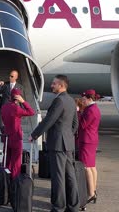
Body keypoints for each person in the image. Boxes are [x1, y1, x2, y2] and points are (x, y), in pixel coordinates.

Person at [29, 75, 80, 212]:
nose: (51, 86)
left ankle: (58, 207)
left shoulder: (59, 101)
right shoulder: (71, 101)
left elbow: (49, 121)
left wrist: (34, 135)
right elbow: (75, 124)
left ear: (61, 85)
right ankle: (73, 206)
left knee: (58, 177)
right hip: (68, 144)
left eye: (54, 84)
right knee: (70, 176)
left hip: (57, 144)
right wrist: (68, 136)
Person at [0, 88, 35, 180]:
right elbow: (31, 112)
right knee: (16, 161)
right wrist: (23, 102)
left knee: (7, 160)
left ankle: (5, 180)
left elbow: (3, 120)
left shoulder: (4, 107)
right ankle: (15, 181)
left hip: (6, 136)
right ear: (18, 97)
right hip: (16, 137)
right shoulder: (16, 108)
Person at [78, 89, 101, 204]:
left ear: (89, 99)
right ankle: (93, 190)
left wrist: (79, 113)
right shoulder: (94, 109)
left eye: (83, 100)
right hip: (92, 140)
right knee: (92, 166)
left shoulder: (90, 110)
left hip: (86, 140)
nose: (82, 102)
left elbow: (82, 125)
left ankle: (91, 193)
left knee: (86, 167)